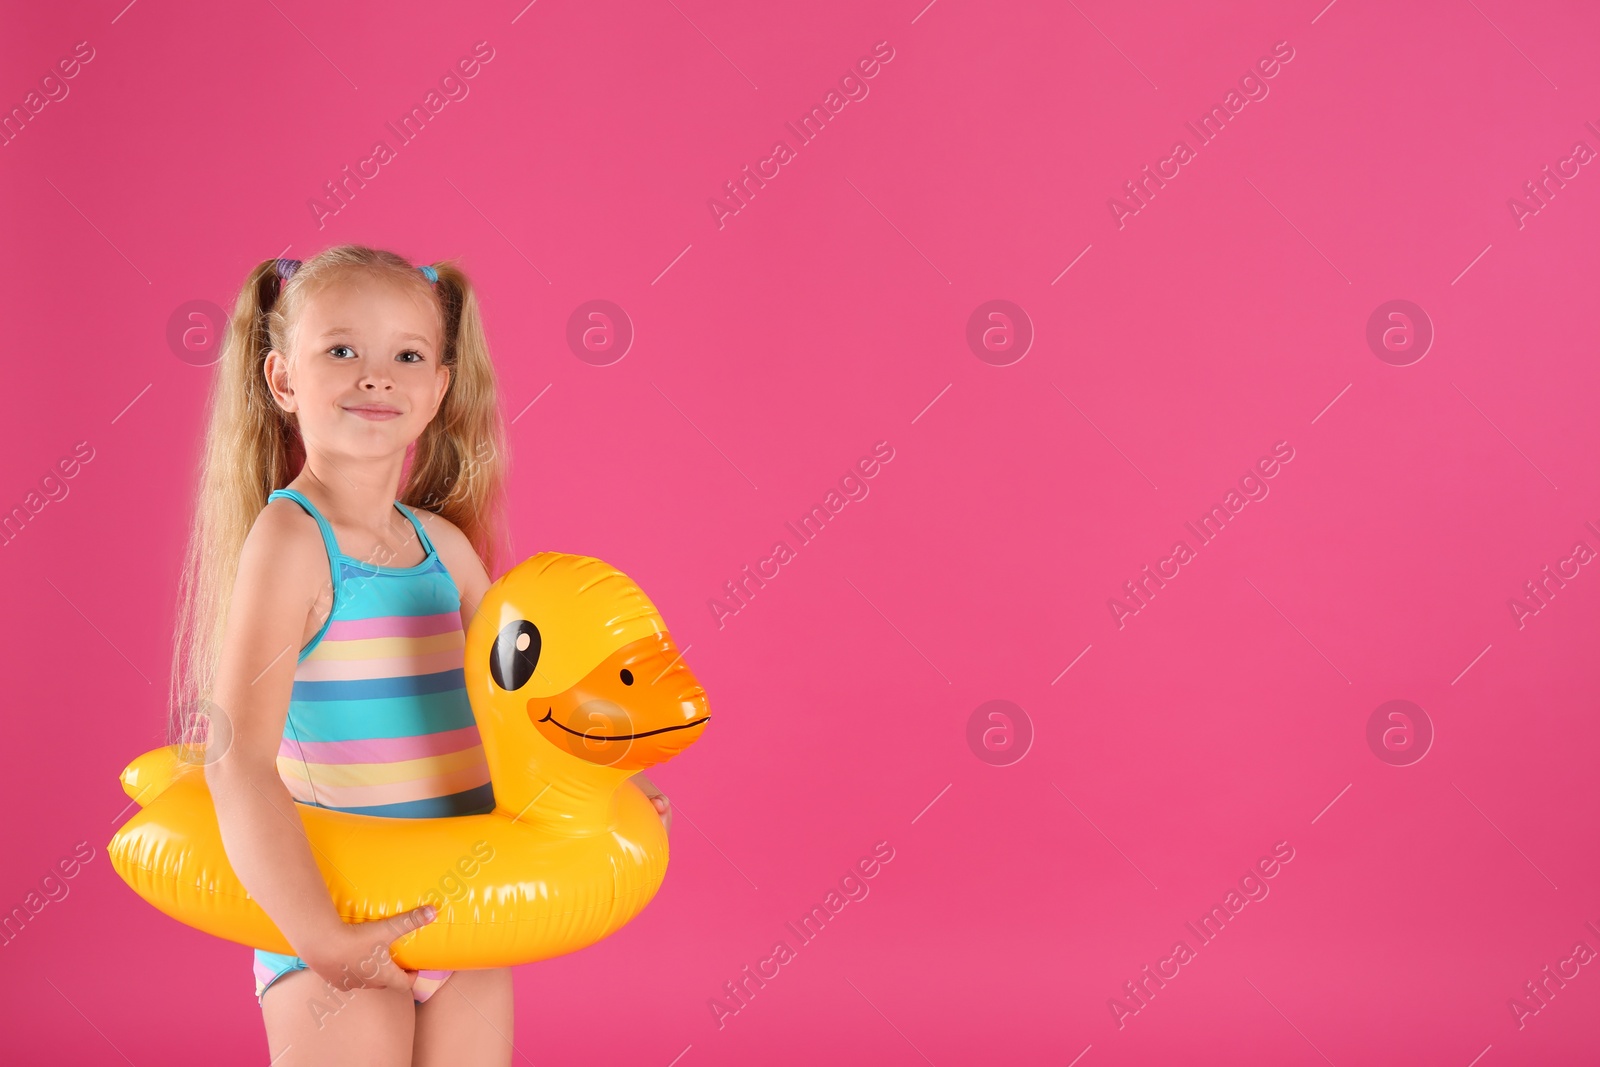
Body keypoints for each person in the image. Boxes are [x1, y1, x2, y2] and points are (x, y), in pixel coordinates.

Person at [167, 245, 671, 1065]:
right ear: (283, 379)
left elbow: (522, 704)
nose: (377, 377)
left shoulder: (442, 549)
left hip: (464, 908)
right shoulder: (291, 540)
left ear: (438, 388)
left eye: (407, 355)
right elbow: (238, 761)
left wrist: (614, 777)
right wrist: (318, 933)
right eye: (342, 351)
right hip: (336, 912)